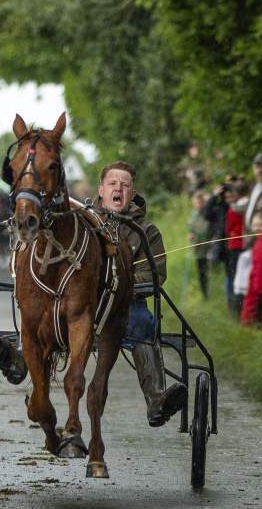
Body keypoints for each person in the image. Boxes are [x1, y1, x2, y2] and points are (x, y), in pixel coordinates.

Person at [96, 161, 187, 427]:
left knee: (143, 323)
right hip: (85, 305)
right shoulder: (83, 224)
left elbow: (155, 276)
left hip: (127, 306)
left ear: (132, 193)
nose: (118, 189)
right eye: (113, 184)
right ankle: (20, 361)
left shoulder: (147, 231)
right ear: (101, 190)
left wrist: (118, 285)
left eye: (124, 185)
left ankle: (157, 401)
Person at [223, 185, 244, 317]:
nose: (228, 199)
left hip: (235, 246)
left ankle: (234, 308)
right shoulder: (245, 209)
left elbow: (227, 229)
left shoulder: (232, 211)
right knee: (238, 277)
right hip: (244, 246)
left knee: (233, 277)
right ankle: (238, 308)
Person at [188, 192, 210, 298]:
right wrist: (191, 235)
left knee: (208, 270)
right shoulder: (193, 214)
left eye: (201, 202)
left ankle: (208, 291)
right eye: (196, 202)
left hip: (208, 246)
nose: (198, 204)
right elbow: (191, 228)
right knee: (201, 271)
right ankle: (204, 293)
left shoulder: (207, 213)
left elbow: (206, 228)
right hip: (198, 247)